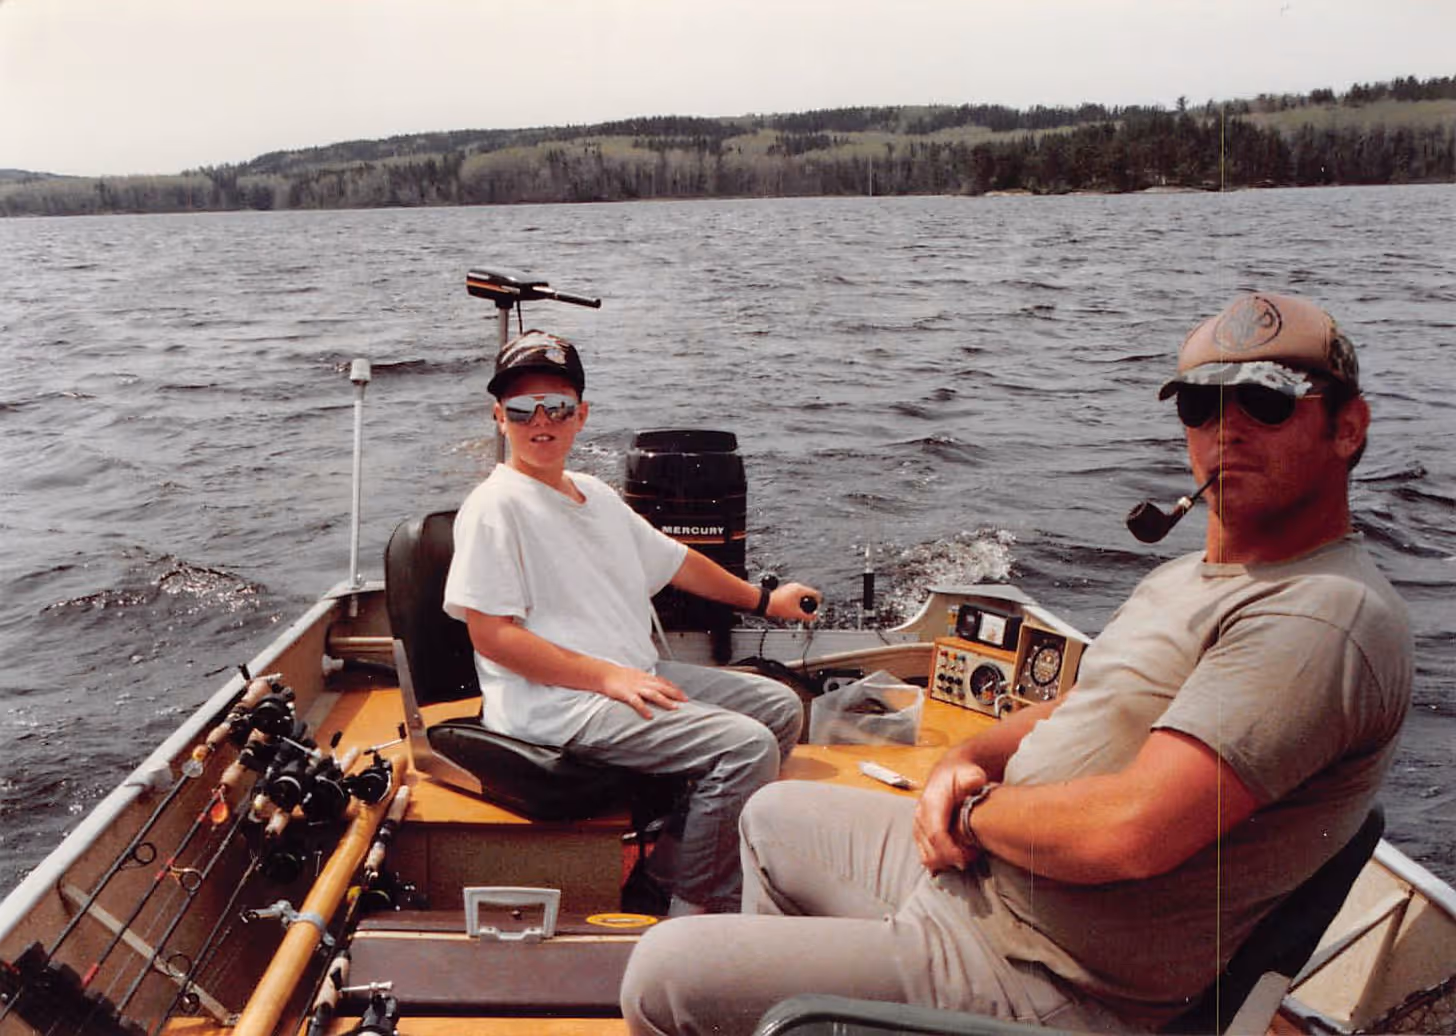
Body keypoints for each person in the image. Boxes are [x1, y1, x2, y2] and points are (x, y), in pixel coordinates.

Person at [619, 291, 1413, 1033]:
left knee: (663, 972)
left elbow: (1131, 833)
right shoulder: (1191, 577)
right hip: (991, 889)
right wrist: (964, 758)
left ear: (1348, 428)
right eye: (1203, 407)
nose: (1227, 430)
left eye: (1267, 403)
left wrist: (968, 814)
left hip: (1047, 977)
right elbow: (1086, 704)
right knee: (769, 817)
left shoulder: (1323, 617)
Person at [443, 329, 819, 917]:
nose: (540, 420)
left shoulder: (592, 493)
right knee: (743, 747)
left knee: (779, 710)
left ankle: (670, 867)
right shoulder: (495, 508)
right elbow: (493, 636)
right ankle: (696, 906)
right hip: (555, 703)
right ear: (499, 417)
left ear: (581, 415)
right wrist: (607, 679)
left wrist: (764, 601)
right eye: (521, 409)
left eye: (558, 406)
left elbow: (678, 562)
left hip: (623, 677)